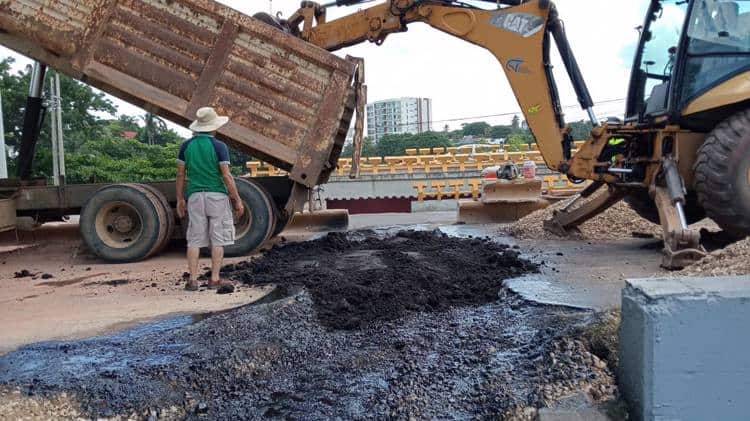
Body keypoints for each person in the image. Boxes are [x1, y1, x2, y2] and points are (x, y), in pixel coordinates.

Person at [176, 107, 244, 291]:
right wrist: (237, 199)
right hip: (217, 196)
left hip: (195, 197)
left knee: (195, 240)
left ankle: (192, 280)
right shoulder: (219, 146)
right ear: (213, 127)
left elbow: (181, 175)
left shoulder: (186, 146)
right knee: (217, 240)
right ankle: (214, 279)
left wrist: (180, 199)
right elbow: (227, 176)